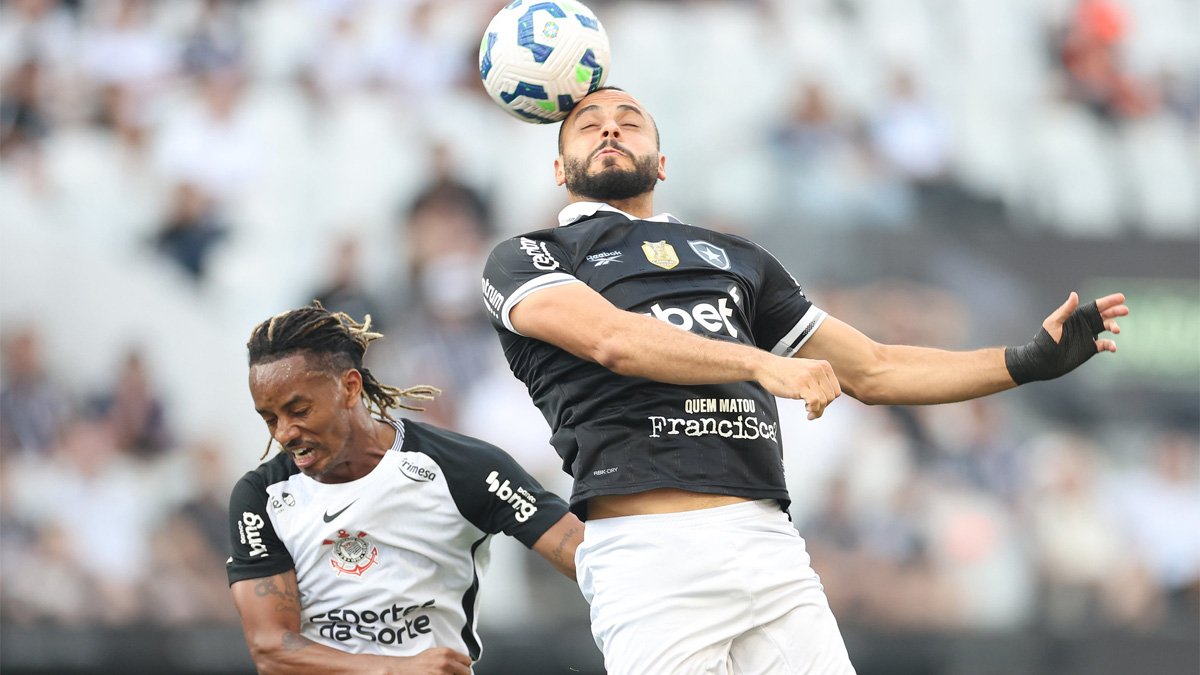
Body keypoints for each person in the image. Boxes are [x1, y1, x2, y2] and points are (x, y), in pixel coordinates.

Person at [479, 86, 1129, 674]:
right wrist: (760, 362)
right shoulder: (529, 257)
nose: (611, 129)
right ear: (560, 169)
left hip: (768, 544)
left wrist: (1023, 362)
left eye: (630, 121)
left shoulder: (735, 257)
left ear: (663, 161)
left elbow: (872, 368)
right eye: (589, 125)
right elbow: (613, 340)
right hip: (650, 554)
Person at [226, 302, 583, 674]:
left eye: (299, 411)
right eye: (270, 419)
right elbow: (271, 649)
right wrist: (396, 669)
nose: (284, 433)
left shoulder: (460, 468)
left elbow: (585, 557)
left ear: (349, 387)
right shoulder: (262, 498)